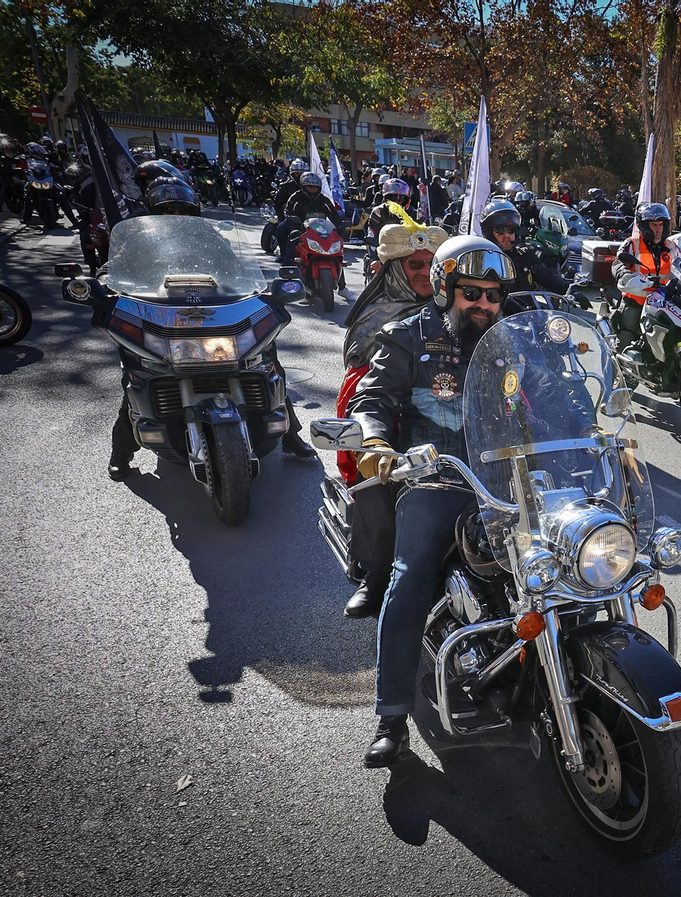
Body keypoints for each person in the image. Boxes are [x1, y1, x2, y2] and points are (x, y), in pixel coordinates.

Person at [349, 235, 516, 766]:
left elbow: (553, 392)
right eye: (472, 294)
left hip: (507, 483)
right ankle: (391, 714)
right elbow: (370, 400)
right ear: (446, 290)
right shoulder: (409, 337)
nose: (484, 306)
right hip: (434, 480)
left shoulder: (508, 341)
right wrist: (375, 442)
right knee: (411, 575)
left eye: (493, 296)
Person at [108, 182, 316, 479]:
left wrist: (254, 291)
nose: (177, 214)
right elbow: (116, 274)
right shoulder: (139, 240)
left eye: (183, 210)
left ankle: (290, 435)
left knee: (267, 363)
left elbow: (238, 272)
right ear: (156, 212)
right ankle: (122, 451)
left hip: (212, 313)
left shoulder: (210, 237)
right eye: (169, 210)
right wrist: (109, 289)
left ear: (194, 212)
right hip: (163, 315)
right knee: (140, 376)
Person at [338, 220, 448, 619]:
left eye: (430, 264)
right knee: (376, 478)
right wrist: (376, 436)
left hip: (449, 411)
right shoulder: (380, 316)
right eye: (413, 265)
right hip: (394, 412)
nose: (423, 272)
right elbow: (367, 386)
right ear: (395, 269)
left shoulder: (458, 304)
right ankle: (378, 574)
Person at [609, 202, 673, 350]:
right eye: (654, 225)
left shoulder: (671, 246)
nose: (658, 230)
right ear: (644, 226)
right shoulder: (633, 243)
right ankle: (617, 365)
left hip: (665, 302)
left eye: (661, 225)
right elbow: (618, 262)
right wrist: (624, 274)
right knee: (626, 337)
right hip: (637, 301)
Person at [479, 197, 570, 296]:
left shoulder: (524, 255)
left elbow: (546, 275)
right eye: (500, 230)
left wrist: (568, 289)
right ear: (489, 233)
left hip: (527, 309)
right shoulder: (483, 261)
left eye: (511, 230)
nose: (507, 235)